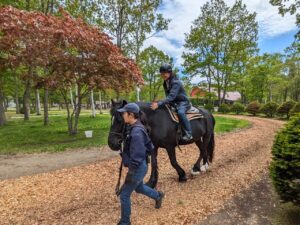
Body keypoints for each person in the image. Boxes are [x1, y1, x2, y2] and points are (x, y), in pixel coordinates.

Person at [117, 103, 164, 225]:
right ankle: (158, 196)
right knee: (139, 187)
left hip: (137, 167)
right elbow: (150, 146)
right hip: (140, 166)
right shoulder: (135, 127)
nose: (122, 115)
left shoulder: (136, 132)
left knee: (124, 195)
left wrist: (130, 175)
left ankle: (125, 222)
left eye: (124, 113)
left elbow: (137, 158)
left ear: (131, 115)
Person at [151, 64, 193, 141]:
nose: (163, 75)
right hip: (173, 102)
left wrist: (159, 103)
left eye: (165, 73)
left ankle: (189, 133)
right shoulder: (165, 82)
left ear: (170, 73)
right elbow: (168, 96)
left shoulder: (176, 82)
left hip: (182, 102)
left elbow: (171, 97)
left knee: (180, 112)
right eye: (161, 73)